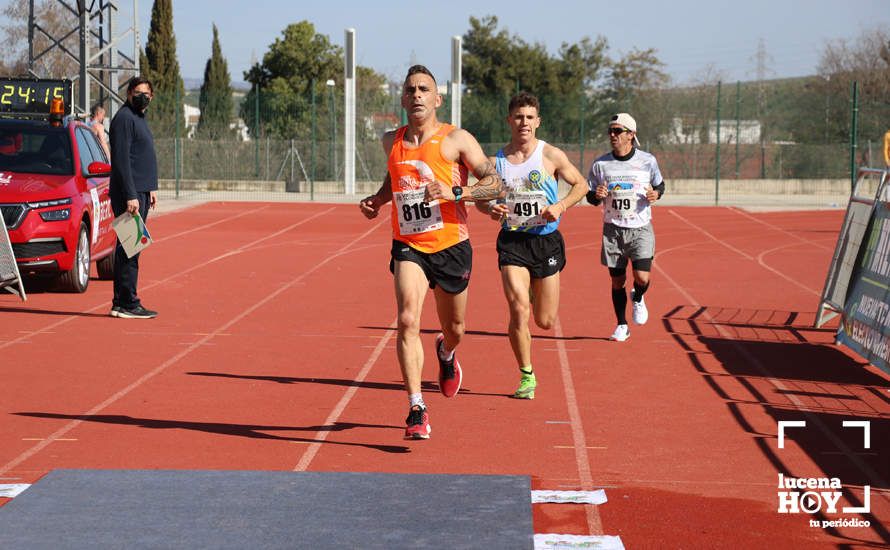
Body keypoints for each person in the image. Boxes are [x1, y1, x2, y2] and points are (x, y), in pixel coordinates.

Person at [359, 65, 502, 440]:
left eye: (425, 89)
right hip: (408, 244)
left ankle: (447, 352)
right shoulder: (391, 141)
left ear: (437, 99)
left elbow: (494, 184)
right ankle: (416, 407)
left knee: (454, 328)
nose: (417, 95)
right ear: (403, 99)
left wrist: (455, 192)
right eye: (411, 90)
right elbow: (395, 177)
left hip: (452, 245)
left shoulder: (457, 139)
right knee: (407, 319)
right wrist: (378, 199)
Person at [475, 92, 588, 399]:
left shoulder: (551, 155)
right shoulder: (494, 162)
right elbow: (481, 201)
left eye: (529, 117)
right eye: (518, 117)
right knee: (518, 308)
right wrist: (490, 209)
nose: (523, 122)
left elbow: (581, 185)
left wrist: (561, 206)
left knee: (545, 320)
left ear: (537, 122)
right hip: (513, 241)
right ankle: (526, 375)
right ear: (509, 120)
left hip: (546, 241)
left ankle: (537, 291)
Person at [587, 113, 665, 341]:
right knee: (617, 280)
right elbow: (590, 195)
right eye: (610, 131)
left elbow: (660, 184)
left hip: (640, 227)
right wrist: (596, 195)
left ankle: (638, 297)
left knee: (641, 277)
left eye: (617, 131)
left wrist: (656, 193)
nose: (612, 135)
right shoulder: (601, 164)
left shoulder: (647, 161)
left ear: (631, 135)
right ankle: (622, 324)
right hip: (613, 229)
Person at [108, 76, 159, 319]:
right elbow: (121, 161)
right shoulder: (124, 119)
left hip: (141, 191)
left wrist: (151, 188)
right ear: (129, 93)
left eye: (147, 94)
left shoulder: (138, 119)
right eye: (138, 92)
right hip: (130, 194)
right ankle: (128, 302)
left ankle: (121, 301)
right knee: (130, 248)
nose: (142, 97)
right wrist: (131, 194)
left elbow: (141, 156)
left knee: (130, 247)